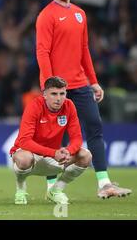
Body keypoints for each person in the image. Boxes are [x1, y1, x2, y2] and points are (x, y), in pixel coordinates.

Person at [36, 0, 132, 199]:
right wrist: (50, 85)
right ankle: (52, 188)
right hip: (58, 86)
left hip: (80, 84)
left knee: (94, 126)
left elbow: (84, 50)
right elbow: (42, 51)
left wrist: (94, 82)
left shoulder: (80, 14)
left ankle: (104, 183)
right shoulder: (46, 16)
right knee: (56, 136)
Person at [10, 76, 92, 205]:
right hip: (31, 154)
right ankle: (20, 189)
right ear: (45, 94)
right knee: (24, 158)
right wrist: (54, 153)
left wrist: (68, 151)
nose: (58, 98)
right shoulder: (34, 106)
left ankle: (55, 190)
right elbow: (25, 141)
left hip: (53, 156)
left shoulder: (69, 106)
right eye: (54, 94)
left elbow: (76, 138)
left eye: (62, 94)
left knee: (86, 155)